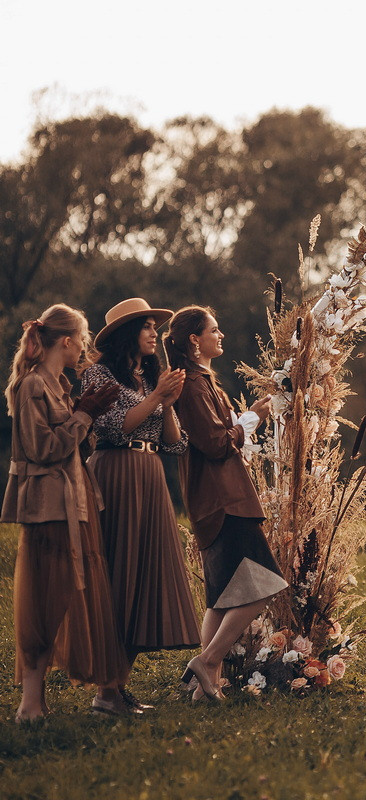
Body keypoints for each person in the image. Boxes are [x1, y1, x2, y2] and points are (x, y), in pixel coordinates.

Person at [3, 304, 130, 720]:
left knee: (68, 598)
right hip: (48, 509)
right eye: (83, 338)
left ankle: (50, 700)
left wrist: (86, 417)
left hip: (76, 504)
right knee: (45, 602)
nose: (85, 347)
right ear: (66, 340)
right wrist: (82, 416)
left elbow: (74, 447)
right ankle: (30, 704)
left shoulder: (58, 385)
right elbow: (43, 450)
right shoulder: (32, 386)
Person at [81, 298, 201, 710]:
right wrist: (156, 400)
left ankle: (117, 686)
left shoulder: (149, 379)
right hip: (115, 474)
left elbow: (176, 442)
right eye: (147, 326)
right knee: (118, 573)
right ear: (125, 334)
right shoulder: (98, 374)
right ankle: (106, 691)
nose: (154, 334)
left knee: (144, 573)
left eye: (154, 326)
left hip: (150, 478)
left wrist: (166, 400)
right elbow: (112, 427)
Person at [165, 306, 286, 701]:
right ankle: (208, 660)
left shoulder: (203, 383)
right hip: (225, 500)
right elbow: (216, 444)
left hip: (213, 499)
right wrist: (250, 417)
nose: (222, 336)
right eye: (214, 330)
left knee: (221, 597)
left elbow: (219, 437)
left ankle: (204, 687)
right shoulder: (195, 386)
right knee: (265, 584)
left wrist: (247, 421)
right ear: (194, 340)